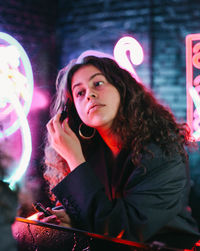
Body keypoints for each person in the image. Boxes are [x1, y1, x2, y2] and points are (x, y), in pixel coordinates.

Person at [41, 55, 200, 249]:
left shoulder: (162, 153)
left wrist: (74, 158)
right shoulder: (93, 152)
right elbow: (100, 212)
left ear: (122, 90)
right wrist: (70, 218)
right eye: (80, 93)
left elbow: (122, 230)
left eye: (98, 83)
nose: (89, 94)